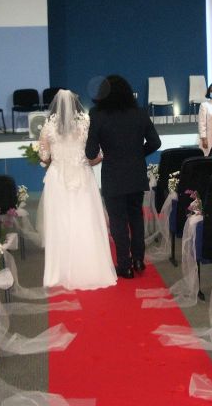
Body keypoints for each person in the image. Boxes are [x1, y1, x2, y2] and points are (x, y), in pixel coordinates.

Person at [38, 89, 117, 290]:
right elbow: (95, 156)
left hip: (58, 180)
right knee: (86, 221)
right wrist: (88, 160)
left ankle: (59, 270)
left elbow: (44, 157)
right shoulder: (85, 124)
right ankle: (91, 267)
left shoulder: (48, 127)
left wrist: (54, 158)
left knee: (60, 224)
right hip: (82, 177)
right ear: (76, 105)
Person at [86, 75, 161, 279]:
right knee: (136, 216)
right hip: (136, 173)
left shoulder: (97, 114)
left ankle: (125, 265)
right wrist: (138, 154)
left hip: (113, 175)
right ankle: (138, 260)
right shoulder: (140, 112)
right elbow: (156, 142)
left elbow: (91, 152)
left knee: (118, 221)